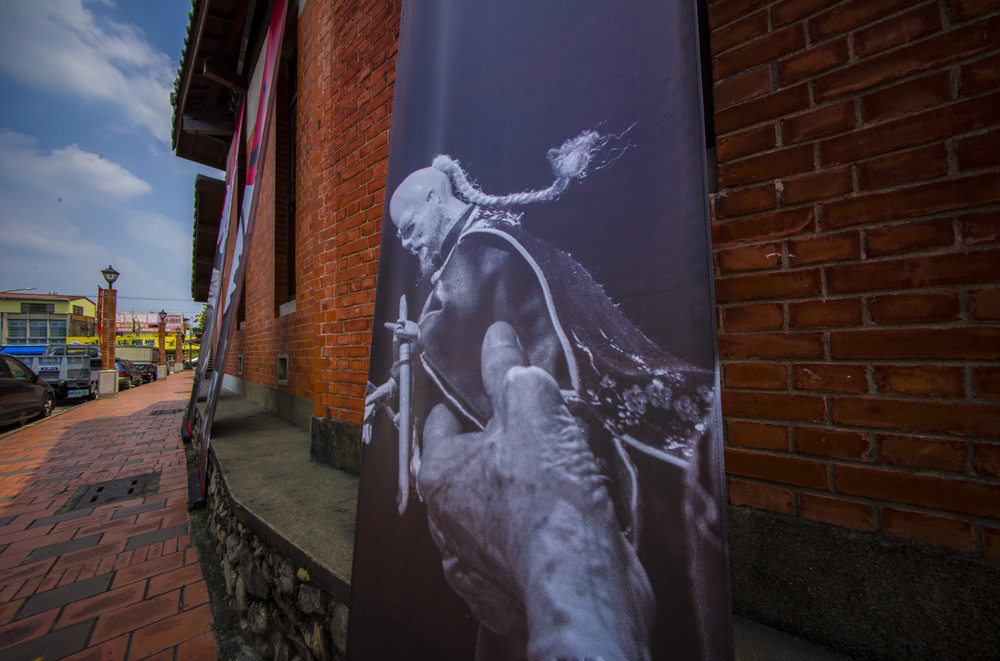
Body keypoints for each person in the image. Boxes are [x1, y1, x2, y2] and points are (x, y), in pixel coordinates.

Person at [371, 131, 728, 660]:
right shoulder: (493, 241)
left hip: (573, 451)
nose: (407, 242)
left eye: (410, 228)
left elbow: (450, 332)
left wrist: (411, 358)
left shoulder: (476, 253)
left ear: (435, 200)